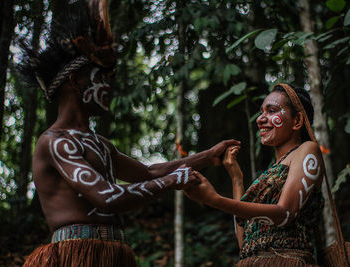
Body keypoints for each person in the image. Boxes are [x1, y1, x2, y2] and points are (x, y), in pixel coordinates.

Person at [18, 1, 240, 266]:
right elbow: (107, 197)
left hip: (112, 254)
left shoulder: (100, 144)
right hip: (74, 256)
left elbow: (148, 172)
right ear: (75, 81)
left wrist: (208, 155)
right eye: (102, 78)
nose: (110, 88)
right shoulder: (55, 142)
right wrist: (172, 182)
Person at [184, 83, 324, 267]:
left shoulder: (308, 150)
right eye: (261, 112)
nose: (260, 119)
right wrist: (236, 179)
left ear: (297, 121)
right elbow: (245, 244)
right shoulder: (271, 172)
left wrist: (214, 200)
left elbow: (284, 214)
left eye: (272, 111)